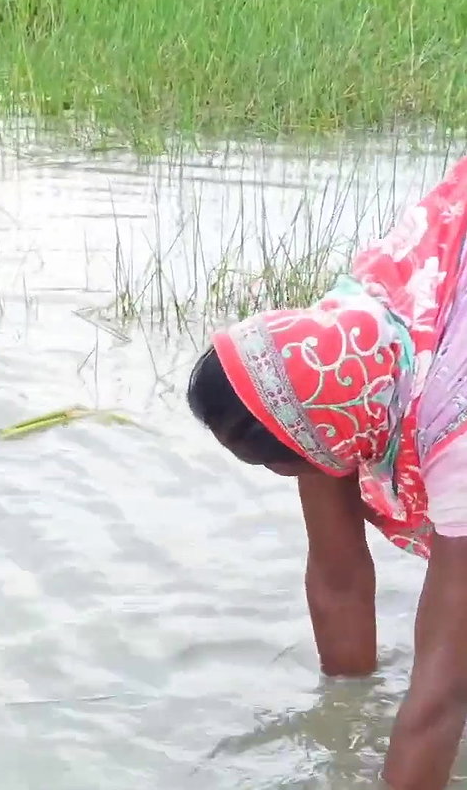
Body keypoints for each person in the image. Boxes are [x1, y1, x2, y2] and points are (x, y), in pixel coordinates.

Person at [187, 156, 467, 789]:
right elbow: (339, 580)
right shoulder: (327, 366)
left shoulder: (453, 435)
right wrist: (346, 729)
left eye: (277, 465)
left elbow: (443, 692)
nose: (284, 478)